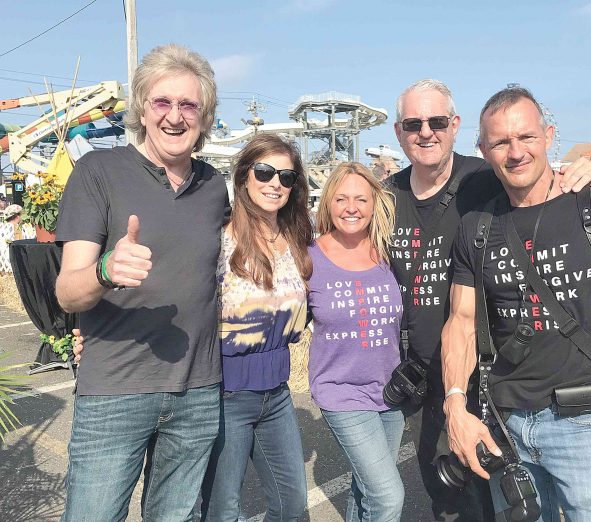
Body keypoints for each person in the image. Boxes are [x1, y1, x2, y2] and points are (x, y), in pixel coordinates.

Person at [443, 86, 591, 520]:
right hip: (508, 426)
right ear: (483, 150)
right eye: (501, 142)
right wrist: (455, 405)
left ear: (549, 136)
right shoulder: (476, 226)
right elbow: (461, 320)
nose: (516, 152)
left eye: (526, 137)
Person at [387, 79, 591, 521]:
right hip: (428, 372)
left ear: (455, 125)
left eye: (437, 121)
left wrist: (588, 175)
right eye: (413, 124)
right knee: (446, 491)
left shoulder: (487, 176)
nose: (426, 132)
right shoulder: (386, 196)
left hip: (493, 374)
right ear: (398, 131)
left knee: (507, 498)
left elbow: (539, 181)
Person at [55, 44, 229, 521]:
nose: (175, 116)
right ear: (141, 109)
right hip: (115, 390)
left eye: (189, 105)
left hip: (197, 392)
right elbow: (67, 291)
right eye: (162, 102)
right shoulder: (98, 172)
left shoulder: (214, 186)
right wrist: (106, 271)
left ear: (204, 116)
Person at [200, 133, 313, 522]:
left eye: (286, 177)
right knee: (222, 510)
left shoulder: (296, 239)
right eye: (265, 172)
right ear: (244, 176)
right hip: (226, 394)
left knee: (291, 505)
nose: (275, 184)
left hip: (277, 393)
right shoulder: (219, 239)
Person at [308, 162, 404, 521]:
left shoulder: (389, 253)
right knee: (388, 497)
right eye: (341, 199)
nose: (352, 208)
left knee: (367, 490)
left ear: (374, 203)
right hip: (341, 392)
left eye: (361, 199)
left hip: (392, 391)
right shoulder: (308, 257)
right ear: (328, 203)